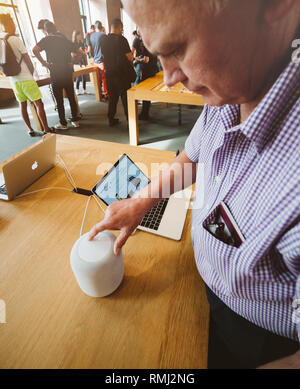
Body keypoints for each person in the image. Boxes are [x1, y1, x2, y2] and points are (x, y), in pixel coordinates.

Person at [88, 0, 300, 369]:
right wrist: (144, 200)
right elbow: (192, 158)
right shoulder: (235, 83)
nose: (169, 77)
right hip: (208, 289)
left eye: (176, 49)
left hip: (261, 336)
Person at [0, 13, 53, 136]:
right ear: (10, 23)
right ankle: (46, 129)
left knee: (22, 104)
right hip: (25, 77)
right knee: (38, 103)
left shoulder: (1, 40)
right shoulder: (14, 39)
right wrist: (31, 73)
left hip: (13, 79)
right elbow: (27, 58)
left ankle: (30, 129)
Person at [33, 21, 81, 130]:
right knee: (71, 97)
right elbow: (81, 52)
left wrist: (44, 63)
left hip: (55, 72)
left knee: (59, 100)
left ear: (46, 31)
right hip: (67, 71)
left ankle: (63, 124)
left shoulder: (46, 39)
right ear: (55, 28)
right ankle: (76, 121)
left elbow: (35, 50)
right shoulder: (63, 39)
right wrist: (73, 61)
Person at [100, 18, 135, 126]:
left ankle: (111, 118)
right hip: (122, 74)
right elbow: (130, 57)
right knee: (125, 98)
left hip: (109, 72)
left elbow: (103, 56)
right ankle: (131, 120)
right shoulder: (122, 39)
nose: (122, 31)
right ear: (119, 27)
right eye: (122, 29)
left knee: (112, 98)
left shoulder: (103, 39)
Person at [87, 20, 108, 101]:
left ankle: (99, 95)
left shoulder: (91, 36)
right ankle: (107, 94)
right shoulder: (103, 36)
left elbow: (90, 50)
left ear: (95, 28)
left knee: (98, 79)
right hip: (102, 60)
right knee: (105, 78)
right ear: (101, 27)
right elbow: (107, 49)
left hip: (95, 61)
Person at [72, 30, 88, 95]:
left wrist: (83, 52)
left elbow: (84, 52)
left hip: (82, 61)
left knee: (84, 75)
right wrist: (79, 52)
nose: (80, 36)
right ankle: (77, 89)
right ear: (75, 36)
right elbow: (73, 54)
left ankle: (84, 89)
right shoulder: (73, 44)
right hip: (76, 62)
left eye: (80, 35)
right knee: (78, 76)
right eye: (78, 35)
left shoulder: (81, 43)